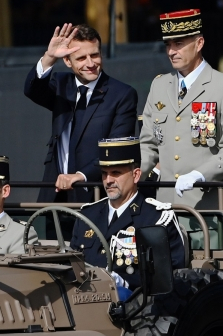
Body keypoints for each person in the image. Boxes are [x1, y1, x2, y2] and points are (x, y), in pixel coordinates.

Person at [140, 8, 223, 210]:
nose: (172, 51)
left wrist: (200, 175)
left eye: (179, 44)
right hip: (164, 206)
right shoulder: (160, 86)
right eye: (168, 45)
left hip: (207, 205)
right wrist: (133, 173)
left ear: (199, 43)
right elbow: (148, 144)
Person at [24, 23, 138, 203]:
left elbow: (118, 147)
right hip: (56, 194)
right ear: (68, 61)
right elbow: (32, 90)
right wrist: (49, 57)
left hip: (96, 194)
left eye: (94, 55)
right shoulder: (61, 84)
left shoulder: (122, 94)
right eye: (81, 58)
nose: (90, 63)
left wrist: (81, 176)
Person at [70, 137, 186, 290]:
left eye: (116, 173)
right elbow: (72, 265)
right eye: (104, 173)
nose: (108, 180)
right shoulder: (87, 216)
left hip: (136, 307)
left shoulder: (157, 218)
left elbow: (169, 276)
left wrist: (125, 283)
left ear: (136, 175)